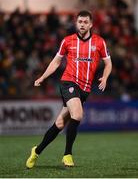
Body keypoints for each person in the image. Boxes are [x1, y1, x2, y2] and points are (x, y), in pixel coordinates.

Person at [26, 10, 112, 168]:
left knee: (59, 124)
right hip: (68, 82)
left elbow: (108, 63)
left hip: (85, 88)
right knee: (77, 115)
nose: (82, 24)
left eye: (86, 22)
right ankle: (67, 155)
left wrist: (105, 77)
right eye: (80, 21)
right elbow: (56, 62)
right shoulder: (68, 41)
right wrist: (42, 77)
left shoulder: (99, 42)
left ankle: (36, 151)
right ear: (76, 23)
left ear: (91, 24)